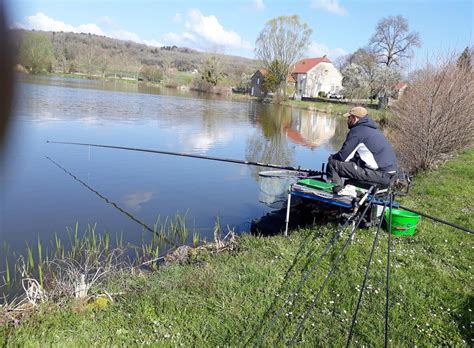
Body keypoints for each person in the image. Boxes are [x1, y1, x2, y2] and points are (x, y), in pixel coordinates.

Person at [326, 106, 398, 194]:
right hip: (389, 174)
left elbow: (342, 157)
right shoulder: (372, 130)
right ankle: (347, 189)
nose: (347, 120)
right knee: (352, 164)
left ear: (355, 118)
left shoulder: (357, 131)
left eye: (349, 117)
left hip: (379, 174)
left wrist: (332, 157)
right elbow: (355, 156)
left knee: (333, 164)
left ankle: (335, 193)